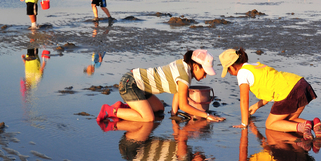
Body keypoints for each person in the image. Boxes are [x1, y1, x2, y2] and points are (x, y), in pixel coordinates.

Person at [219, 47, 321, 140]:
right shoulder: (256, 65)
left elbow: (244, 99)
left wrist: (244, 123)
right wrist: (256, 106)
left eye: (228, 71)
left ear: (232, 67)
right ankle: (314, 123)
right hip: (301, 84)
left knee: (270, 124)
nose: (230, 73)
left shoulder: (242, 73)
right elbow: (270, 91)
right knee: (287, 121)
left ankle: (303, 127)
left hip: (287, 92)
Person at [96, 49, 225, 122]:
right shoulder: (185, 76)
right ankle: (110, 111)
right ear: (196, 66)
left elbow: (177, 92)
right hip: (130, 83)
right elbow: (184, 105)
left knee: (159, 109)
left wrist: (174, 113)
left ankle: (125, 106)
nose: (205, 76)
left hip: (140, 85)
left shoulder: (184, 66)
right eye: (205, 72)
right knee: (148, 118)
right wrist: (207, 116)